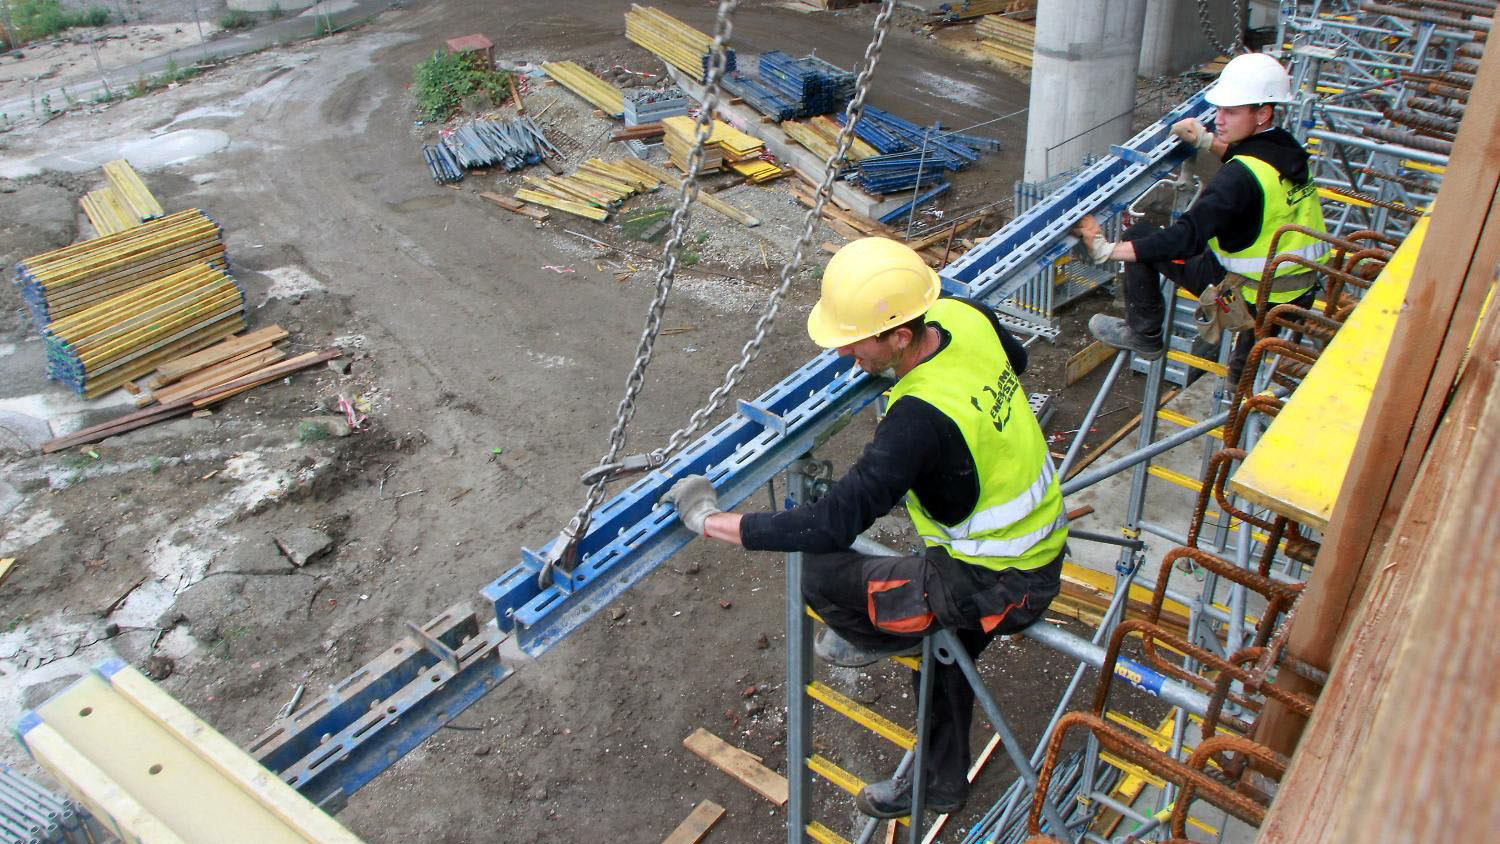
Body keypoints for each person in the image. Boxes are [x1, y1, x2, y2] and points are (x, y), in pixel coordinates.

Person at [660, 237, 1068, 820]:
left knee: (823, 576)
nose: (844, 351)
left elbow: (830, 524)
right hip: (1040, 538)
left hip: (1000, 581)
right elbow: (1016, 363)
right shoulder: (962, 314)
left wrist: (710, 521)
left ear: (900, 335)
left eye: (856, 340)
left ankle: (884, 634)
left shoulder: (918, 421)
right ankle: (941, 782)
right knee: (945, 658)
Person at [1076, 52, 1331, 385]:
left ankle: (1144, 335)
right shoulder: (1288, 149)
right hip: (1298, 290)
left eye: (1231, 112)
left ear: (1262, 113)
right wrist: (1209, 142)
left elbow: (1184, 239)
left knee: (1140, 237)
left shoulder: (1236, 180)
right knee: (1244, 375)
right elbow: (1256, 161)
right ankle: (1240, 379)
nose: (1219, 119)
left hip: (1251, 296)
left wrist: (1105, 250)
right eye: (1220, 109)